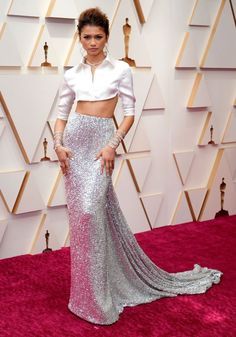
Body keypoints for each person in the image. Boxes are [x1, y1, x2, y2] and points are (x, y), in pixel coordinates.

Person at [53, 7, 223, 326]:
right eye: (87, 37)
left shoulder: (120, 70)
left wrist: (111, 145)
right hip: (74, 146)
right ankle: (84, 299)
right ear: (79, 38)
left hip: (102, 141)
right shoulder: (70, 74)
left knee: (92, 211)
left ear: (107, 37)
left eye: (98, 37)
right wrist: (58, 144)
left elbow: (129, 112)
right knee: (82, 221)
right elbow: (62, 113)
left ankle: (102, 296)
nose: (92, 43)